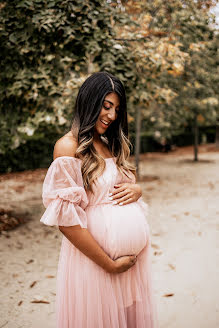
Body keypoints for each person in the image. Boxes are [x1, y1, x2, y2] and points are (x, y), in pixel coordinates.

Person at [40, 72, 158, 328]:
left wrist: (137, 190)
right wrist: (109, 264)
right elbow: (66, 221)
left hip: (128, 266)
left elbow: (124, 187)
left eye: (117, 108)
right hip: (96, 263)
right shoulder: (68, 146)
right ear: (89, 102)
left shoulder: (108, 142)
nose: (112, 116)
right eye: (106, 106)